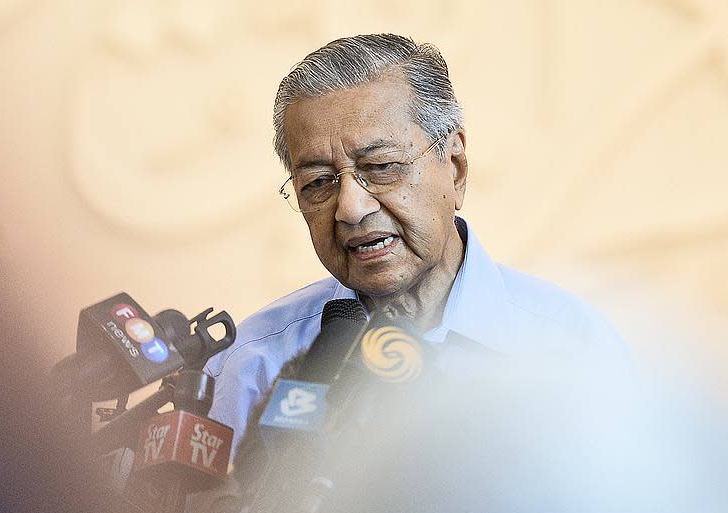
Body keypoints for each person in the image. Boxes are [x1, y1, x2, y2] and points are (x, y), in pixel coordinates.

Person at [205, 34, 627, 444]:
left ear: (456, 167)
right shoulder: (251, 366)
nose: (350, 208)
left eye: (383, 165)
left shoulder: (572, 349)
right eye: (318, 182)